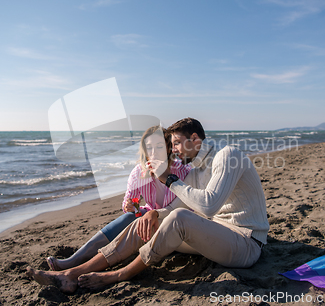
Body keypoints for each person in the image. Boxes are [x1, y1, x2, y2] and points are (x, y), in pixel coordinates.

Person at [26, 118, 269, 293]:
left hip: (246, 244)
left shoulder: (228, 155)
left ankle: (120, 274)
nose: (172, 150)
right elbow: (176, 206)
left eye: (175, 143)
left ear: (195, 140)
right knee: (148, 220)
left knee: (181, 218)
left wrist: (170, 180)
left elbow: (207, 207)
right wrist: (154, 214)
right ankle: (71, 274)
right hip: (219, 237)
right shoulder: (197, 171)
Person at [46, 125, 191, 271]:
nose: (153, 152)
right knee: (129, 217)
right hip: (149, 219)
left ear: (168, 148)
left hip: (174, 224)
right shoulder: (139, 172)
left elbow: (188, 205)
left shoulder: (183, 171)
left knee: (139, 218)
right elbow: (132, 203)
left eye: (159, 147)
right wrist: (130, 206)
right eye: (149, 147)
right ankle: (74, 260)